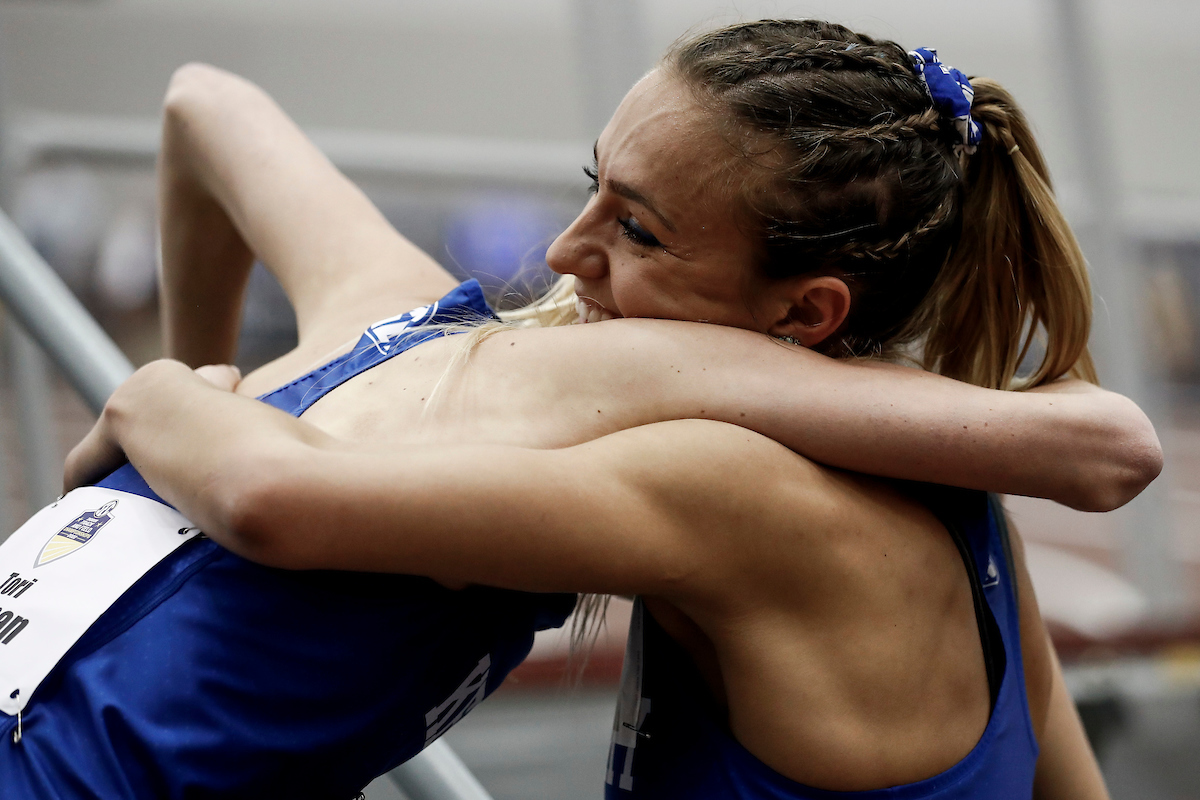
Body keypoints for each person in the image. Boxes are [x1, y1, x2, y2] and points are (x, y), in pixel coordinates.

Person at [1, 19, 1153, 800]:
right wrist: (200, 435)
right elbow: (203, 105)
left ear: (806, 315)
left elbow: (266, 493)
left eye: (637, 230)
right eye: (588, 181)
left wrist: (170, 394)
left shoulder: (731, 483)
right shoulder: (974, 519)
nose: (564, 251)